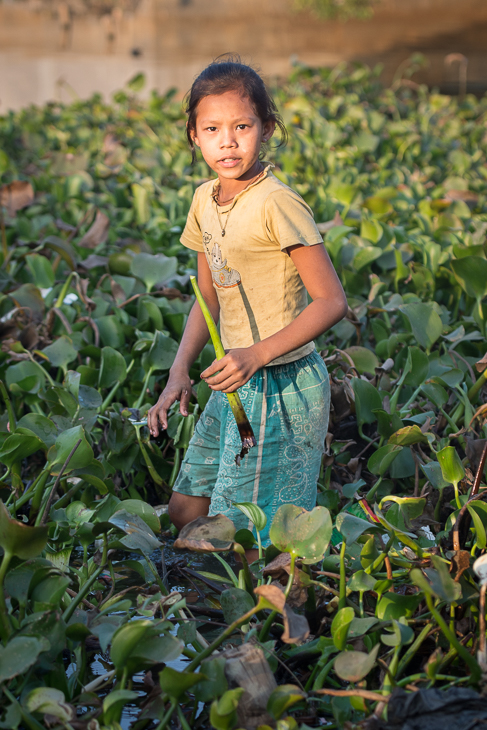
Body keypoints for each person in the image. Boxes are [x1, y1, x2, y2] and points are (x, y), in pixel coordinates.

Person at [148, 56, 348, 556]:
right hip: (231, 380)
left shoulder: (277, 203)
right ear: (194, 135)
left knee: (241, 540)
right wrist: (178, 373)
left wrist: (256, 355)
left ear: (267, 128)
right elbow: (206, 296)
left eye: (242, 126)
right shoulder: (202, 200)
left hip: (281, 383)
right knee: (185, 514)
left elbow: (331, 302)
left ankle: (262, 613)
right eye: (212, 128)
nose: (228, 141)